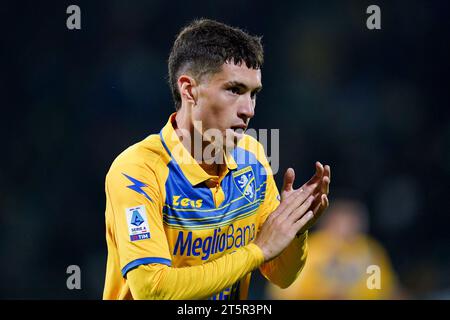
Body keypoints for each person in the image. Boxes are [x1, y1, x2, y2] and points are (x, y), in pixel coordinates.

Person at [102, 19, 331, 300]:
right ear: (189, 90)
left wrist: (295, 231)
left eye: (253, 94)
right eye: (234, 90)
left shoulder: (253, 157)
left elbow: (281, 276)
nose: (248, 110)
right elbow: (152, 290)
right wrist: (256, 251)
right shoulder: (138, 170)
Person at [266, 198, 400, 299]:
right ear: (329, 222)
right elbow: (283, 292)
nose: (349, 228)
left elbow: (385, 289)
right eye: (343, 221)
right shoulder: (311, 249)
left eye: (354, 221)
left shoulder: (370, 250)